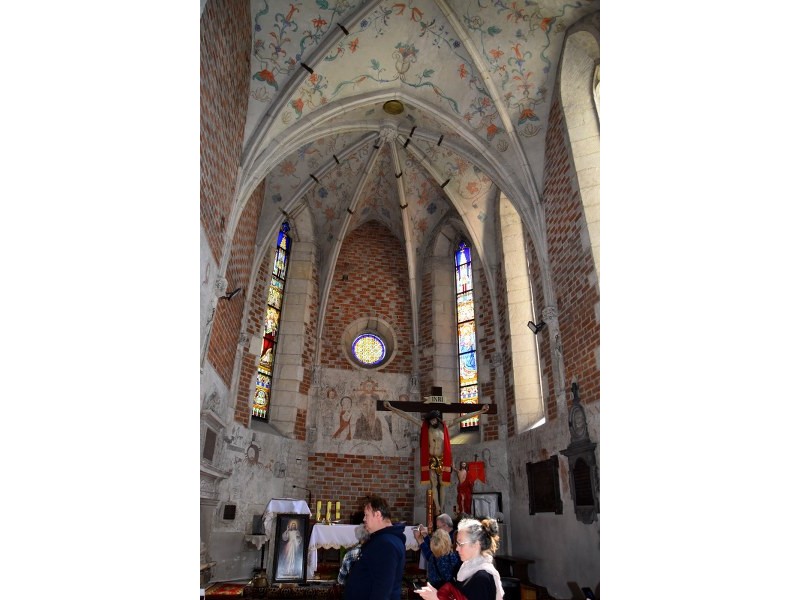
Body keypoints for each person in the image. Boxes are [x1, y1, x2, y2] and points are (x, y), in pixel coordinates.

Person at [384, 401, 489, 513]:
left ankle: (442, 507)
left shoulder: (445, 426)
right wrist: (392, 408)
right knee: (433, 484)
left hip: (442, 458)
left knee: (442, 484)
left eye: (433, 419)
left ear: (437, 419)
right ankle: (437, 508)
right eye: (430, 420)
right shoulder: (425, 427)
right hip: (431, 458)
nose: (432, 422)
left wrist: (480, 411)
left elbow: (462, 418)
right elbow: (408, 417)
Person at [414, 517, 504, 600]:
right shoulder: (467, 568)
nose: (456, 548)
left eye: (461, 544)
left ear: (476, 544)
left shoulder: (482, 578)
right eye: (457, 544)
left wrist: (436, 598)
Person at [343, 496, 406, 600]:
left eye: (366, 515)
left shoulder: (386, 544)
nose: (364, 519)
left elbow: (383, 587)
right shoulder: (383, 539)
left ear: (378, 515)